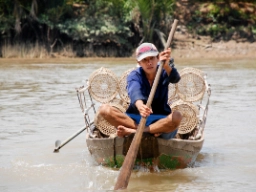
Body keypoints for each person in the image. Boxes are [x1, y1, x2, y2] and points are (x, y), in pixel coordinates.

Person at [98, 42, 182, 139]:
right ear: (139, 63)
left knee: (177, 117)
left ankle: (137, 131)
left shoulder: (163, 72)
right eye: (144, 60)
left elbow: (175, 78)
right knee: (104, 109)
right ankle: (144, 130)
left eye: (152, 58)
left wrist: (166, 65)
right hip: (135, 120)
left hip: (160, 120)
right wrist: (140, 106)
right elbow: (134, 91)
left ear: (158, 58)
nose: (149, 63)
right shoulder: (134, 75)